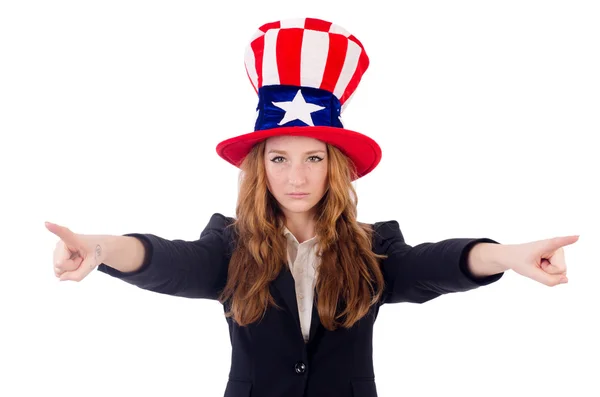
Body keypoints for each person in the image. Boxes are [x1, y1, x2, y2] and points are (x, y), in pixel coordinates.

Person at [46, 17, 578, 397]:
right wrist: (98, 248)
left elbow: (434, 265)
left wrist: (507, 255)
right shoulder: (229, 247)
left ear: (335, 166)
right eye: (279, 158)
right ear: (260, 166)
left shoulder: (375, 248)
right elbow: (170, 261)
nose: (295, 176)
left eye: (312, 158)